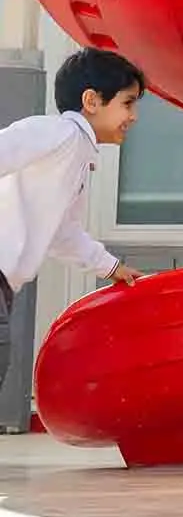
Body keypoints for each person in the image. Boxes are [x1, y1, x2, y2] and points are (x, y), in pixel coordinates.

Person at [0, 50, 146, 388]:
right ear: (92, 101)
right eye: (127, 103)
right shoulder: (59, 134)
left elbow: (63, 233)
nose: (134, 116)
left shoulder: (78, 155)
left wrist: (111, 267)